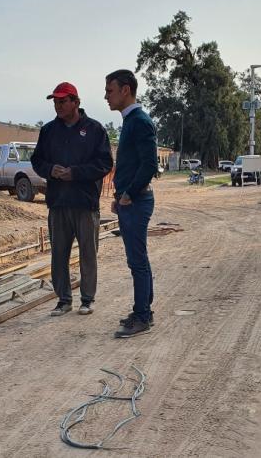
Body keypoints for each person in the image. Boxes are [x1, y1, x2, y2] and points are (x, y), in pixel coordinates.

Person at [31, 82, 113, 316]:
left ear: (76, 102)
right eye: (55, 102)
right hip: (58, 202)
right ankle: (64, 300)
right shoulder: (48, 131)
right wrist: (51, 170)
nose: (58, 106)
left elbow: (105, 163)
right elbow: (37, 161)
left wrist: (75, 173)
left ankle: (87, 299)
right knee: (59, 253)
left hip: (85, 202)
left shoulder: (95, 130)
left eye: (63, 101)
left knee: (88, 253)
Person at [104, 69, 158, 338]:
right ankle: (143, 310)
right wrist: (119, 195)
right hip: (130, 200)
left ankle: (143, 316)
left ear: (126, 90)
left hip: (136, 201)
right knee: (139, 260)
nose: (106, 96)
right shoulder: (131, 121)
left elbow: (149, 164)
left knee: (137, 262)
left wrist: (129, 194)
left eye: (110, 90)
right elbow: (133, 164)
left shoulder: (139, 121)